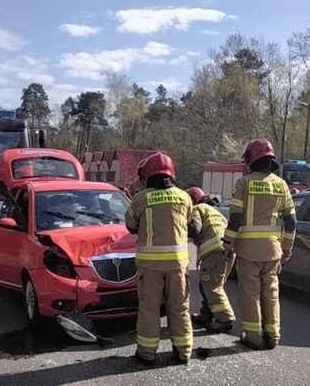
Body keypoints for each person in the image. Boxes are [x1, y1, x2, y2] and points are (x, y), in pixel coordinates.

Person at [223, 139, 296, 350]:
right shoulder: (281, 185)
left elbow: (236, 219)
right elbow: (291, 221)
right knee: (271, 293)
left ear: (250, 160)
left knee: (250, 293)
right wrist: (286, 248)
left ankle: (253, 336)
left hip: (247, 251)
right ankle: (272, 335)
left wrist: (228, 244)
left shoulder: (243, 183)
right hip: (273, 251)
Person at [125, 152, 193, 365]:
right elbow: (188, 221)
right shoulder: (184, 197)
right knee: (180, 307)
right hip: (178, 265)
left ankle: (147, 353)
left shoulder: (140, 198)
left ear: (148, 175)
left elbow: (130, 226)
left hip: (150, 267)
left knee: (149, 309)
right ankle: (183, 351)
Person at [186, 187, 236, 332]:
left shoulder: (197, 209)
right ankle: (206, 313)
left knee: (212, 286)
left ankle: (225, 319)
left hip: (214, 253)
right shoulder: (213, 211)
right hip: (227, 251)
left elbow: (195, 229)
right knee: (208, 285)